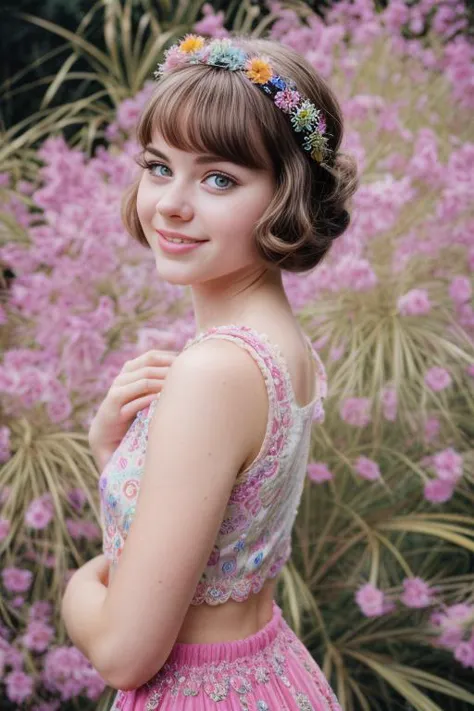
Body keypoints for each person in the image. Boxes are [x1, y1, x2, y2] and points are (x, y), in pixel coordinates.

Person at [61, 33, 358, 711]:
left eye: (219, 177)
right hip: (270, 669)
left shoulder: (214, 370)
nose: (170, 202)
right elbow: (228, 547)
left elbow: (124, 651)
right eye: (159, 166)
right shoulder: (282, 345)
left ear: (287, 195)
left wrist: (79, 588)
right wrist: (117, 455)